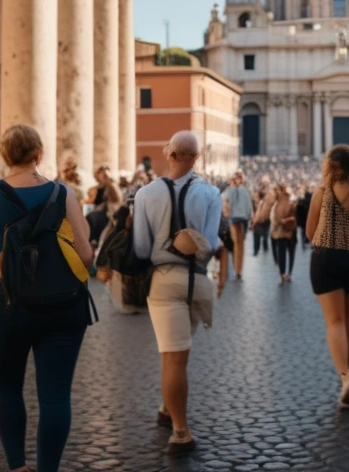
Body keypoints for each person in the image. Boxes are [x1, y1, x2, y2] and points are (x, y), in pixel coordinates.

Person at [0, 124, 95, 472]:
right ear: (39, 155)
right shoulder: (64, 194)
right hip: (63, 306)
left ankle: (17, 466)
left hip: (4, 304)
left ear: (4, 157)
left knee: (4, 388)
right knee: (56, 396)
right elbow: (86, 256)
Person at [133, 131, 222, 455]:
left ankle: (180, 432)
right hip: (197, 281)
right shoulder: (211, 193)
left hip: (164, 279)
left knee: (173, 356)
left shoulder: (145, 194)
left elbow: (141, 249)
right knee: (178, 353)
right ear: (196, 157)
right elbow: (209, 244)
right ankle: (166, 407)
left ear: (168, 154)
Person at [306, 145, 349, 409]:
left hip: (326, 257)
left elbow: (310, 231)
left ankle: (345, 377)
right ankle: (346, 375)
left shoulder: (321, 193)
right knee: (346, 321)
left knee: (335, 321)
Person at [222, 170, 253, 280]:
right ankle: (238, 269)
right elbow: (249, 206)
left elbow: (226, 202)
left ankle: (236, 269)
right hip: (242, 219)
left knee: (236, 244)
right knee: (240, 245)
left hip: (233, 219)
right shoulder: (244, 190)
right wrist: (249, 218)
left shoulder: (230, 191)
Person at [271, 183, 298, 283]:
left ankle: (283, 273)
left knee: (283, 252)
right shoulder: (288, 201)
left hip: (282, 230)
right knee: (289, 252)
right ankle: (288, 273)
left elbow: (277, 218)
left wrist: (283, 221)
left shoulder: (279, 203)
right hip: (288, 230)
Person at [251, 184, 273, 257]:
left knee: (265, 235)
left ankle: (265, 248)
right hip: (258, 219)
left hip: (266, 218)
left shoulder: (268, 199)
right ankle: (256, 250)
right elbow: (253, 209)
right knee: (256, 235)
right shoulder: (255, 199)